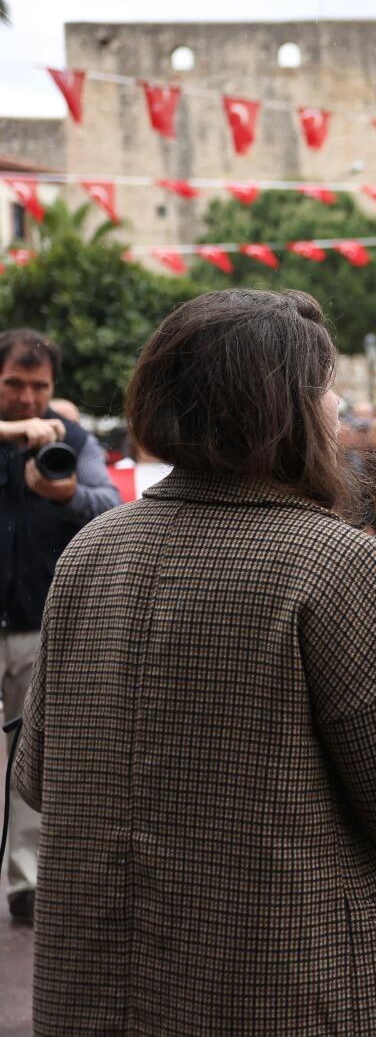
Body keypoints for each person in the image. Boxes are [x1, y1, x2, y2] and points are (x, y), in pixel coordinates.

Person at [13, 290, 376, 1032]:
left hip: (106, 985)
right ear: (280, 409)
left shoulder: (92, 548)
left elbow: (38, 774)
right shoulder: (330, 559)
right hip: (289, 983)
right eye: (326, 388)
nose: (338, 408)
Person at [0, 330, 122, 924]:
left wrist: (65, 491)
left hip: (38, 622)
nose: (27, 398)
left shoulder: (71, 437)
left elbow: (110, 503)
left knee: (30, 757)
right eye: (13, 384)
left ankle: (26, 883)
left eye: (39, 386)